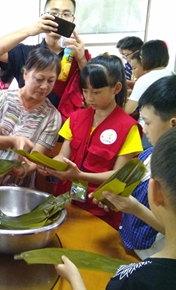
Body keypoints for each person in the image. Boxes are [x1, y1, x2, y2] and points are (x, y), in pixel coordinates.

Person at [55, 124, 176, 290]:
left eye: (149, 122)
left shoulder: (136, 280)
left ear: (156, 192)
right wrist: (133, 207)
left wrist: (75, 278)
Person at [40, 55, 143, 229]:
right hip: (67, 201)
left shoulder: (128, 127)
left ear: (116, 88)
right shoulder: (75, 118)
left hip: (99, 209)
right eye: (85, 91)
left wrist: (79, 176)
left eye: (96, 92)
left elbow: (118, 175)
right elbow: (63, 156)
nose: (89, 98)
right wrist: (48, 165)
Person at [91, 75, 176, 260]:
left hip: (153, 256)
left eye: (147, 122)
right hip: (128, 244)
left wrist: (135, 208)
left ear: (173, 124)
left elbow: (174, 231)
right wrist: (114, 200)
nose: (144, 129)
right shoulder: (148, 155)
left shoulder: (174, 173)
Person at [0, 0, 91, 122]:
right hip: (27, 127)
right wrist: (29, 31)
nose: (60, 18)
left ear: (72, 20)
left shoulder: (77, 56)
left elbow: (91, 89)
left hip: (66, 130)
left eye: (66, 14)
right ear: (43, 17)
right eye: (54, 13)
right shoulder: (27, 53)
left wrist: (81, 60)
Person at [0, 48, 62, 188]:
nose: (44, 86)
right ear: (26, 73)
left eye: (51, 81)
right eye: (39, 79)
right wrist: (13, 141)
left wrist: (23, 170)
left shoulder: (53, 117)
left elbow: (35, 158)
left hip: (18, 187)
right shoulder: (1, 98)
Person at [125, 40, 173, 150]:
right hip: (170, 130)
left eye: (141, 57)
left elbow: (128, 109)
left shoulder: (145, 79)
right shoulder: (172, 74)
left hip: (149, 129)